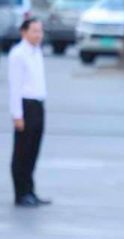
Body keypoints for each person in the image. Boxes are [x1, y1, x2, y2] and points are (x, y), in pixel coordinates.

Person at [8, 18, 50, 208]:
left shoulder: (37, 51)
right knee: (22, 151)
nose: (38, 35)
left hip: (38, 104)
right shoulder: (18, 54)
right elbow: (15, 87)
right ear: (23, 32)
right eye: (34, 31)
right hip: (25, 106)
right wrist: (17, 115)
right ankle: (21, 193)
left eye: (40, 31)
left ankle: (30, 190)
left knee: (33, 150)